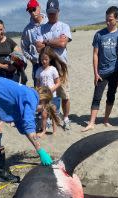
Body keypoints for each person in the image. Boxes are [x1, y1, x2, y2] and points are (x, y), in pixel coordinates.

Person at [82, 6, 118, 132]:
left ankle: (106, 120)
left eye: (110, 19)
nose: (108, 22)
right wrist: (95, 73)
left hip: (115, 71)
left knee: (111, 95)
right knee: (97, 96)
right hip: (101, 72)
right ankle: (91, 122)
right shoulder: (99, 34)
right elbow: (95, 54)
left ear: (117, 19)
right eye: (106, 19)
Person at [37, 0, 73, 129]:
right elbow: (38, 47)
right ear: (46, 13)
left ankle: (66, 118)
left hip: (61, 66)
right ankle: (48, 118)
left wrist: (46, 41)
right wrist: (54, 41)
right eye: (49, 13)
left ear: (58, 11)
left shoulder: (64, 26)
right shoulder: (42, 28)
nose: (52, 15)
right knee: (47, 94)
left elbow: (63, 43)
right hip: (47, 67)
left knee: (64, 94)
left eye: (54, 13)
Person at [34, 47, 67, 135]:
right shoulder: (39, 70)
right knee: (44, 115)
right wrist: (38, 91)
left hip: (53, 96)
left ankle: (54, 131)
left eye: (46, 59)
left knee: (53, 114)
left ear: (50, 59)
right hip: (43, 98)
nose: (44, 61)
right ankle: (44, 130)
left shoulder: (53, 69)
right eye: (42, 59)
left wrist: (51, 89)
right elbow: (37, 84)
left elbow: (58, 82)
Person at [22, 0, 46, 86]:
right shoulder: (27, 30)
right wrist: (32, 59)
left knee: (53, 91)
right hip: (36, 65)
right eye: (30, 10)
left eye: (34, 9)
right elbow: (24, 48)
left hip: (51, 62)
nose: (32, 12)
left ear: (39, 8)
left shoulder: (48, 23)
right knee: (38, 92)